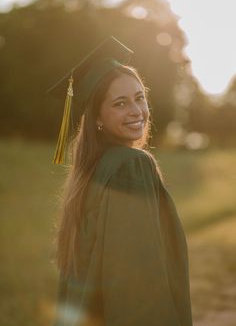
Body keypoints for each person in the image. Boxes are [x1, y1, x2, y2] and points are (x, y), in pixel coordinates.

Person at [50, 36, 193, 326]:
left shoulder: (91, 170)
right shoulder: (131, 166)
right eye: (120, 103)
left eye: (140, 98)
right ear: (98, 117)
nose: (136, 111)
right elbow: (137, 282)